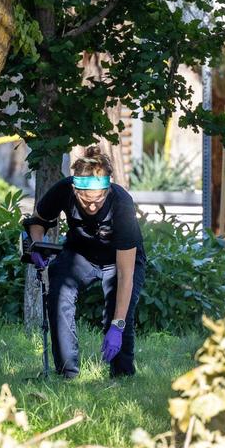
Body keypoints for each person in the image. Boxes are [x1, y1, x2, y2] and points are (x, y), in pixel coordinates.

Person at [21, 145, 147, 379]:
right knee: (58, 291)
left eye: (98, 201)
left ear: (107, 190)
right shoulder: (63, 190)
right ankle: (67, 372)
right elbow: (38, 221)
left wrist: (116, 326)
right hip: (81, 254)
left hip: (120, 261)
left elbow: (125, 273)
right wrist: (36, 247)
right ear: (74, 189)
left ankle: (122, 376)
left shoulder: (122, 204)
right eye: (85, 200)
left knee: (119, 312)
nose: (91, 207)